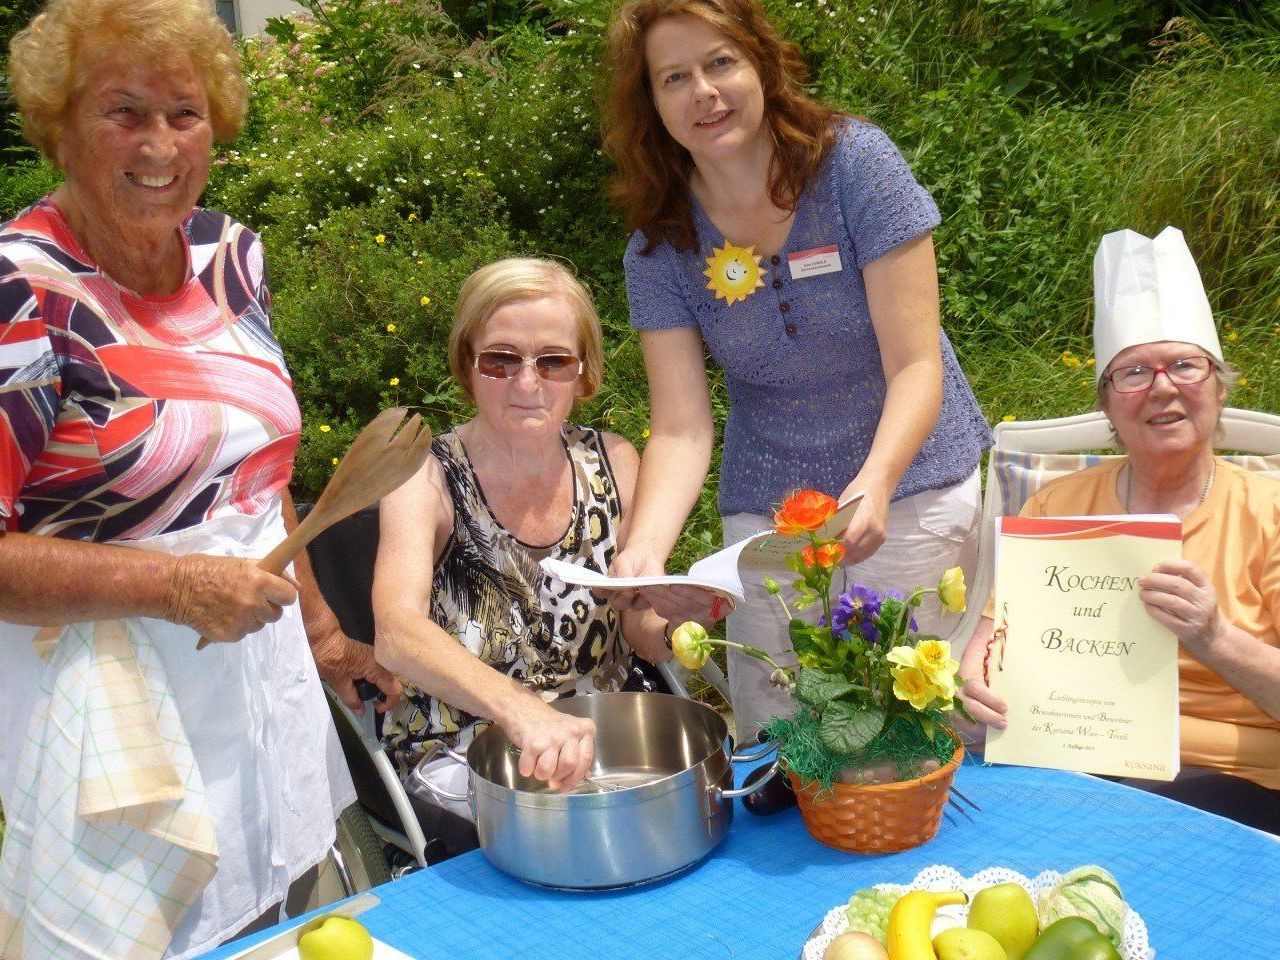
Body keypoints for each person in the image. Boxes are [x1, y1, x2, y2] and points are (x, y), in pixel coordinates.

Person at [0, 0, 400, 955]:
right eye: (122, 111)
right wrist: (173, 585)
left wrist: (326, 634)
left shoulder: (231, 254)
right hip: (109, 700)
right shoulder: (23, 289)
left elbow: (258, 476)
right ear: (60, 126)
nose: (159, 143)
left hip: (258, 668)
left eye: (184, 113)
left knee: (285, 915)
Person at [601, 0, 992, 742]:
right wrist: (646, 549)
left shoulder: (855, 165)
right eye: (674, 77)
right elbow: (681, 429)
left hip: (909, 488)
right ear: (652, 103)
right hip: (769, 515)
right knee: (789, 738)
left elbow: (914, 364)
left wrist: (874, 484)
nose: (703, 93)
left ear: (761, 65)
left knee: (917, 728)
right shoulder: (658, 247)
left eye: (720, 63)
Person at [959, 226, 1280, 834]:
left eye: (1185, 365)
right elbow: (990, 641)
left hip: (1233, 785)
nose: (1162, 387)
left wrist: (1214, 637)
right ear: (1107, 404)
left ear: (1218, 385)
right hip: (1071, 762)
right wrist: (975, 680)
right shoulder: (1059, 505)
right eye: (1133, 373)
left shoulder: (1270, 514)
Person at [372, 258, 715, 814]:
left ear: (584, 373)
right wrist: (521, 710)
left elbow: (641, 632)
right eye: (500, 360)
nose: (527, 382)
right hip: (465, 751)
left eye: (553, 362)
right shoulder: (424, 472)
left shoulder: (614, 461)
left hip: (606, 740)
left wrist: (681, 613)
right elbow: (396, 633)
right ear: (467, 364)